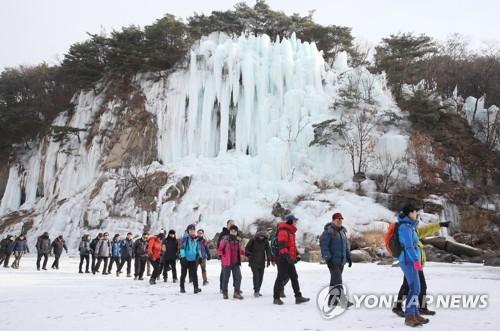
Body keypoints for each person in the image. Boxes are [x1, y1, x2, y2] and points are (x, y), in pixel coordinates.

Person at [393, 219, 451, 317]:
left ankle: (422, 308)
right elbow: (408, 247)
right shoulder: (406, 231)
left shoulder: (414, 231)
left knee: (421, 286)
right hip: (410, 264)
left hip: (417, 265)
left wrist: (440, 225)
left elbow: (426, 229)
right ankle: (398, 307)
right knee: (407, 286)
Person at [396, 204, 429, 327]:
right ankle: (410, 316)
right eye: (415, 211)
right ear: (410, 213)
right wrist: (416, 261)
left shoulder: (411, 226)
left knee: (416, 288)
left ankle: (414, 313)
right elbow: (409, 246)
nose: (416, 214)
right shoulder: (405, 227)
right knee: (415, 288)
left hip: (412, 260)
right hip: (408, 260)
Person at [272, 215, 309, 305]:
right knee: (280, 278)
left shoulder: (291, 232)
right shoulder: (283, 232)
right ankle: (276, 298)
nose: (296, 223)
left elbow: (291, 247)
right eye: (295, 221)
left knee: (294, 277)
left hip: (289, 259)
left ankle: (298, 297)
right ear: (291, 221)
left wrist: (297, 255)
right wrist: (287, 257)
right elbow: (282, 246)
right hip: (283, 259)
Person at [320, 212, 353, 307]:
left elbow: (345, 247)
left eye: (341, 219)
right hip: (332, 261)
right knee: (338, 281)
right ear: (333, 220)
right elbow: (324, 246)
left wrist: (349, 257)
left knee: (334, 281)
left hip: (341, 261)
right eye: (338, 219)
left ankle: (332, 301)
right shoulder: (328, 231)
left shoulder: (342, 232)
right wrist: (327, 258)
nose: (340, 221)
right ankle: (343, 301)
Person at [218, 225, 245, 299]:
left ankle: (236, 293)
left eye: (235, 231)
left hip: (236, 262)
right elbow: (220, 249)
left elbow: (241, 251)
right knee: (225, 278)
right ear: (229, 231)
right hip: (227, 262)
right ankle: (225, 293)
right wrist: (222, 256)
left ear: (236, 232)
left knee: (238, 277)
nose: (233, 232)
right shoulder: (225, 239)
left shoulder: (238, 240)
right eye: (232, 231)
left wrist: (244, 253)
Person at [245, 230, 272, 297]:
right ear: (257, 235)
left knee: (260, 277)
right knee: (256, 276)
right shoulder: (253, 240)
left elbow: (268, 250)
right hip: (253, 261)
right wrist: (249, 255)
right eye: (260, 236)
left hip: (261, 261)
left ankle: (258, 290)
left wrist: (269, 259)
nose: (261, 237)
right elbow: (247, 249)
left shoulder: (265, 242)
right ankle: (256, 291)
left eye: (263, 236)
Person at [179, 224, 202, 294]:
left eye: (193, 230)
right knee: (184, 274)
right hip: (185, 259)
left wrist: (200, 256)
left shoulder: (196, 239)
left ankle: (196, 288)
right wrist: (183, 257)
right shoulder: (185, 238)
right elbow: (181, 248)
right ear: (188, 231)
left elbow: (198, 249)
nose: (192, 231)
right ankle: (182, 287)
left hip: (193, 259)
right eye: (191, 230)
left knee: (194, 274)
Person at [217, 219, 235, 292]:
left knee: (236, 273)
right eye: (230, 224)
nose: (232, 225)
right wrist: (221, 255)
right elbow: (219, 245)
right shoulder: (223, 234)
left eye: (233, 224)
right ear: (227, 225)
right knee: (224, 272)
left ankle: (236, 288)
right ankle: (222, 287)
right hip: (225, 257)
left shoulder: (235, 233)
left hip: (234, 256)